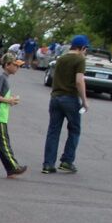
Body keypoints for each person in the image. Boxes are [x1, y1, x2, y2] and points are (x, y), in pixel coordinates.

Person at [42, 34, 89, 174]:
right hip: (70, 98)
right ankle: (67, 161)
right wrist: (84, 101)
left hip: (55, 97)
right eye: (86, 49)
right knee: (74, 129)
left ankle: (48, 164)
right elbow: (79, 81)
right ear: (82, 48)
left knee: (53, 131)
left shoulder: (61, 59)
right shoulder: (79, 59)